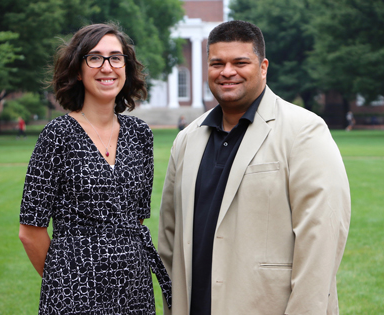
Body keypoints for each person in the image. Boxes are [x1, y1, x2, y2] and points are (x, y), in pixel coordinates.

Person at [158, 20, 351, 315]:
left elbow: (321, 239)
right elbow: (169, 240)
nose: (227, 72)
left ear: (263, 67)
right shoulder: (186, 140)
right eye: (217, 63)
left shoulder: (304, 131)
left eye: (240, 62)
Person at [18, 23, 171, 315]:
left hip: (134, 289)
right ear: (78, 69)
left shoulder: (140, 134)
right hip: (74, 291)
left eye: (116, 57)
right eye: (95, 57)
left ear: (126, 68)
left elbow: (137, 219)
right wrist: (64, 282)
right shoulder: (57, 135)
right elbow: (30, 231)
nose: (107, 67)